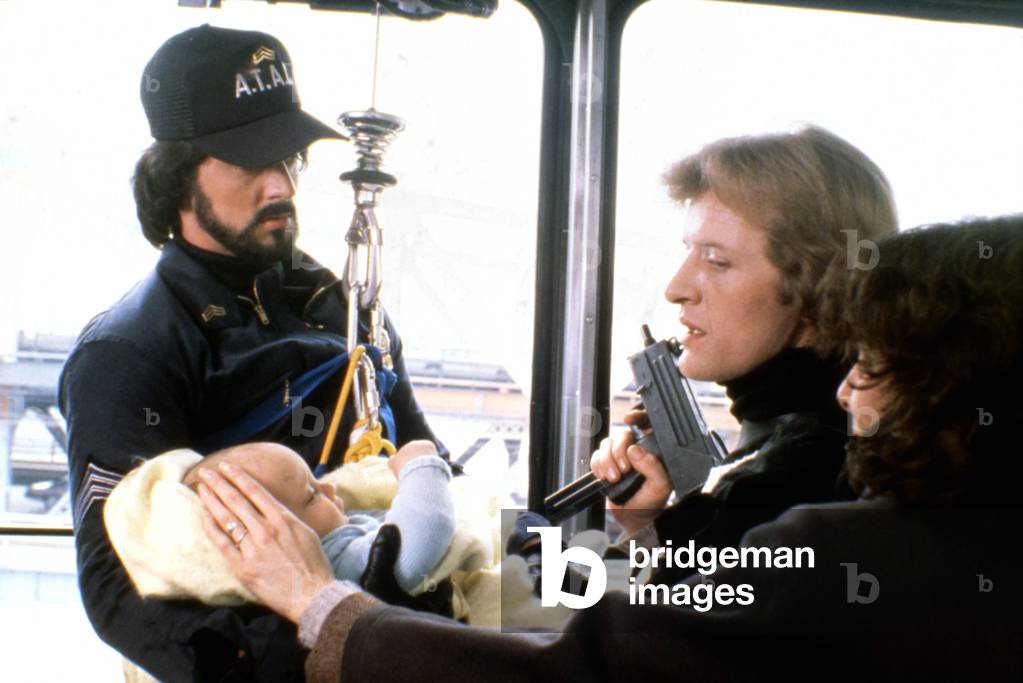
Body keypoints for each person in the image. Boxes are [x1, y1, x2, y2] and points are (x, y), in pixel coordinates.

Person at [199, 215, 1023, 682]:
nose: (847, 391)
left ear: (952, 392)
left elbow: (575, 680)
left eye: (872, 369)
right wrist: (650, 529)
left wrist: (322, 603)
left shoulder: (824, 531)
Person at [59, 24, 444, 682]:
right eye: (250, 160)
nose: (282, 185)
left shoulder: (343, 306)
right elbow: (118, 583)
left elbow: (422, 457)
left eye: (289, 156)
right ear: (180, 181)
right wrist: (309, 656)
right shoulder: (126, 352)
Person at [590, 126, 897, 580]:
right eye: (688, 253)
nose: (676, 289)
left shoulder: (796, 471)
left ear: (818, 288)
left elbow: (590, 624)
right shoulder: (785, 444)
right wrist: (649, 522)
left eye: (717, 261)